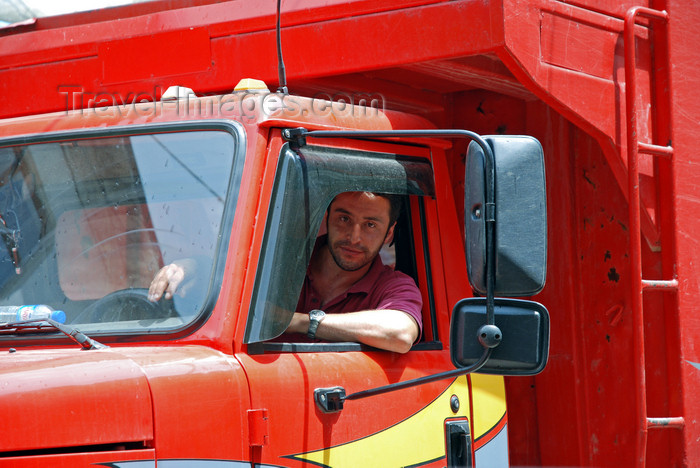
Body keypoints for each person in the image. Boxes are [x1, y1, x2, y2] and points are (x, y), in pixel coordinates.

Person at [148, 191, 422, 353]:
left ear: (390, 234)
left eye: (370, 225)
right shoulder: (281, 260)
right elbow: (232, 272)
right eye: (344, 218)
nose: (354, 236)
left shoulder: (394, 286)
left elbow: (400, 334)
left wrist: (296, 322)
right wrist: (192, 266)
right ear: (326, 219)